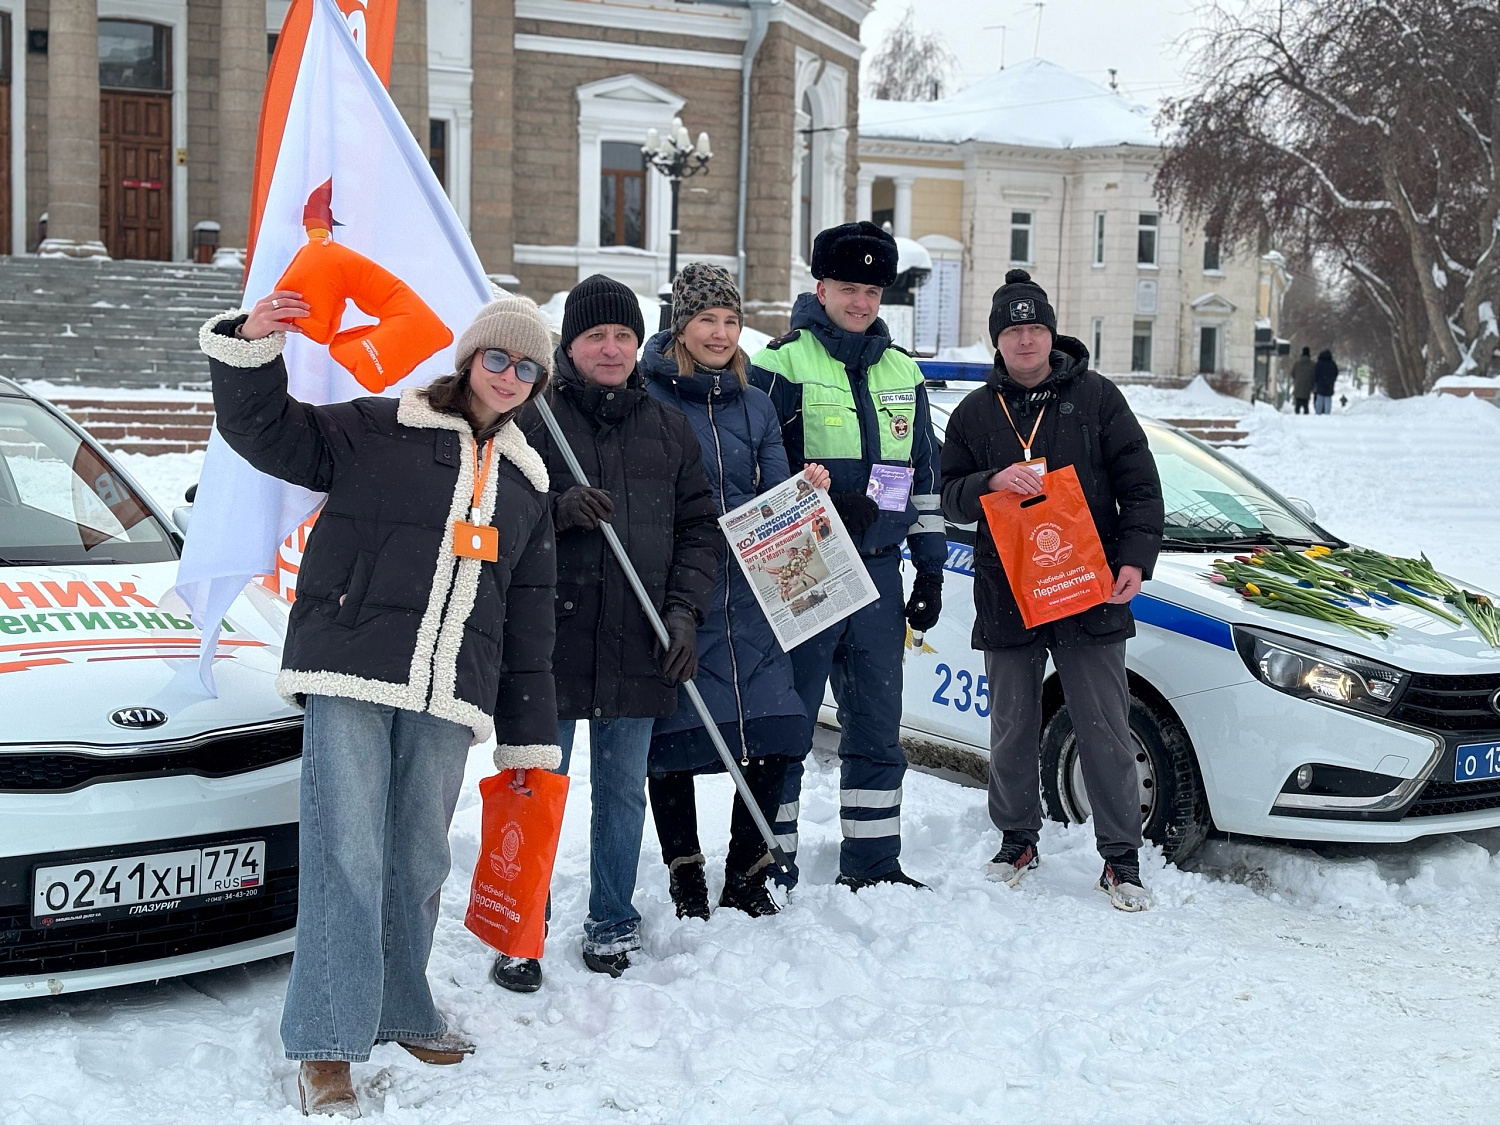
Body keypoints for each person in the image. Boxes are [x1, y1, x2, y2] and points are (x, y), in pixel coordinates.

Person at [201, 292, 561, 1116]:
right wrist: (251, 348)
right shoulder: (380, 428)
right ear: (470, 357)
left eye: (528, 367)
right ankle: (327, 1042)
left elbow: (530, 618)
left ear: (539, 382)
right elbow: (268, 432)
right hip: (353, 670)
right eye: (497, 358)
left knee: (419, 859)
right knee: (346, 856)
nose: (509, 376)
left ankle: (403, 1004)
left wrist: (529, 745)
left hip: (451, 690)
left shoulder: (529, 484)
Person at [508, 273, 721, 982]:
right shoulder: (534, 421)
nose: (611, 348)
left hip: (639, 637)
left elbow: (699, 530)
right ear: (570, 343)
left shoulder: (667, 428)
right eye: (596, 335)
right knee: (538, 783)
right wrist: (554, 512)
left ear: (639, 343)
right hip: (549, 640)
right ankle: (520, 925)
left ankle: (612, 918)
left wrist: (685, 612)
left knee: (624, 790)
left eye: (624, 335)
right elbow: (492, 516)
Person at [938, 269, 1163, 912]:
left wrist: (1136, 560)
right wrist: (988, 482)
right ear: (997, 341)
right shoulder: (977, 412)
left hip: (1088, 584)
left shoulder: (1097, 398)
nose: (1026, 340)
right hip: (1009, 588)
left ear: (1051, 334)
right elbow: (950, 496)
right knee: (1012, 725)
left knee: (1104, 727)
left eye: (1035, 328)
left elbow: (1141, 486)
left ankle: (1121, 859)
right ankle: (1017, 840)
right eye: (1014, 330)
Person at [749, 221, 946, 892]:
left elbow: (923, 478)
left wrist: (931, 567)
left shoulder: (904, 371)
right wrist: (829, 508)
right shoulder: (781, 363)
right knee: (789, 725)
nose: (860, 301)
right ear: (820, 287)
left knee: (876, 725)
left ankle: (872, 861)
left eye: (871, 289)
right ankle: (769, 861)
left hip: (881, 573)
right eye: (847, 287)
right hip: (804, 568)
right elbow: (759, 476)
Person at [638, 263, 831, 919]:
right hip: (681, 589)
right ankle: (685, 878)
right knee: (672, 740)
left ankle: (746, 877)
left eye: (729, 320)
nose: (720, 332)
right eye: (706, 319)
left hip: (752, 596)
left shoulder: (755, 401)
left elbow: (774, 491)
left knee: (777, 728)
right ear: (681, 326)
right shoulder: (650, 398)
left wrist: (804, 494)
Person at [1289, 346, 1315, 414]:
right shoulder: (1312, 365)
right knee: (1305, 405)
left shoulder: (1297, 364)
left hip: (1298, 386)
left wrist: (1297, 379)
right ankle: (1305, 419)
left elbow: (1292, 374)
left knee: (1298, 405)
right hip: (1307, 387)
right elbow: (1314, 376)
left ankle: (1297, 417)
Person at [1313, 349, 1338, 414]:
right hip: (1329, 384)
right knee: (1328, 398)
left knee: (1320, 398)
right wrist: (1332, 380)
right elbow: (1336, 373)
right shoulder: (1332, 364)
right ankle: (1327, 412)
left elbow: (1315, 373)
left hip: (1320, 384)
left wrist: (1316, 381)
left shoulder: (1319, 363)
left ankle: (1318, 412)